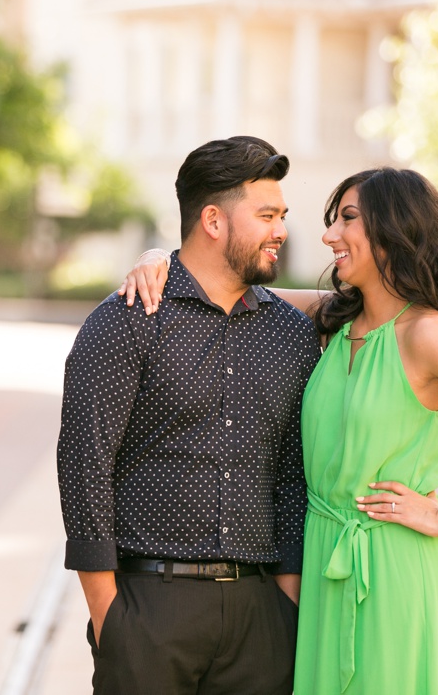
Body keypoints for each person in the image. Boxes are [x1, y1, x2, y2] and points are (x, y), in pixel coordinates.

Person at [121, 166, 438, 694]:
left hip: (394, 564)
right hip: (323, 558)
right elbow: (224, 285)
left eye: (347, 219)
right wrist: (160, 262)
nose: (329, 236)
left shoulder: (427, 335)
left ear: (394, 230)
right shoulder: (334, 320)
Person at [56, 135, 321, 694]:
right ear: (213, 221)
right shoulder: (128, 319)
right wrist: (111, 618)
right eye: (268, 215)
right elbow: (85, 462)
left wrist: (285, 603)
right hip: (148, 608)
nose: (282, 231)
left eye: (283, 215)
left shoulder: (292, 335)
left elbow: (293, 476)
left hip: (260, 616)